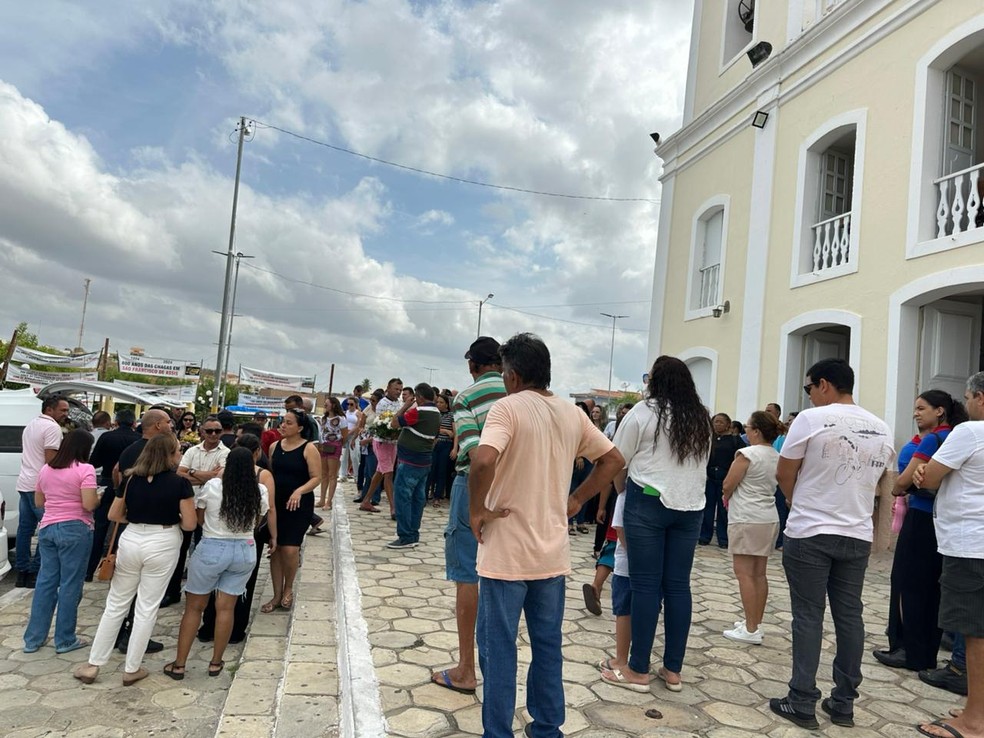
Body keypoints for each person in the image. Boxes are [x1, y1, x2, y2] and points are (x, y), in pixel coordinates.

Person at [468, 333, 623, 737]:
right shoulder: (572, 413)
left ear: (513, 375)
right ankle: (547, 727)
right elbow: (613, 460)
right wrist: (577, 499)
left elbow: (483, 460)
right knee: (547, 646)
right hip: (551, 553)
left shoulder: (508, 408)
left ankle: (498, 732)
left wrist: (476, 510)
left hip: (505, 552)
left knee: (498, 650)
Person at [769, 358, 895, 730]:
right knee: (849, 615)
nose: (808, 396)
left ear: (823, 384)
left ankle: (802, 699)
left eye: (808, 388)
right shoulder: (882, 427)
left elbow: (784, 471)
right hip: (855, 532)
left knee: (808, 615)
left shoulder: (812, 419)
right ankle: (843, 702)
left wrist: (796, 501)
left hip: (811, 529)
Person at [601, 356, 711, 693]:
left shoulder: (644, 412)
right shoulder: (701, 417)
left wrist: (622, 491)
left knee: (645, 585)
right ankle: (673, 669)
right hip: (690, 506)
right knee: (678, 586)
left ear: (655, 381)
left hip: (647, 500)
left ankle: (637, 669)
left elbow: (618, 459)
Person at [74, 434, 196, 686]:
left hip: (131, 538)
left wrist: (138, 517)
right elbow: (190, 523)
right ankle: (132, 668)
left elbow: (114, 514)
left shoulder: (131, 479)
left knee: (116, 603)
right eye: (177, 451)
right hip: (163, 540)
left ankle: (93, 664)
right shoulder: (179, 483)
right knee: (147, 606)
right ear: (169, 455)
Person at [431, 336, 506, 696]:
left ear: (472, 365)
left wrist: (477, 505)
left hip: (473, 487)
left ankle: (465, 669)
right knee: (502, 575)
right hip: (513, 489)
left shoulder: (466, 397)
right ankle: (498, 668)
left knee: (467, 575)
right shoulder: (517, 394)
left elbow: (477, 454)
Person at [911, 371, 984, 738]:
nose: (966, 404)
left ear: (981, 398)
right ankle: (979, 706)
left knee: (974, 632)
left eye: (969, 397)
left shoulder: (971, 432)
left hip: (971, 544)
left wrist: (927, 471)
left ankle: (974, 721)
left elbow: (930, 478)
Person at [874, 390, 967, 672]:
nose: (916, 412)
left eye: (922, 408)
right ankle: (925, 649)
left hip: (922, 515)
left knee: (907, 583)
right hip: (942, 519)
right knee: (931, 586)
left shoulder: (933, 439)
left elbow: (904, 482)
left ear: (940, 411)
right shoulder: (954, 437)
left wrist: (899, 487)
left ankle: (908, 648)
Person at [164, 447, 268, 679]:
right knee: (226, 608)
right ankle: (215, 662)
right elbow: (258, 521)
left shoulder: (213, 487)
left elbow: (200, 518)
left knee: (194, 607)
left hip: (213, 545)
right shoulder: (260, 491)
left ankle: (180, 664)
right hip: (244, 549)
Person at [23, 429, 99, 654]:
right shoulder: (85, 469)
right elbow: (88, 504)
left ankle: (33, 639)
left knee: (45, 583)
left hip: (48, 527)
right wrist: (98, 497)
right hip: (76, 528)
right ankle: (65, 639)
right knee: (70, 585)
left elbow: (39, 501)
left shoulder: (46, 469)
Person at [198, 433, 277, 644]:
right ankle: (234, 632)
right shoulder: (262, 479)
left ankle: (208, 629)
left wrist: (209, 527)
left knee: (211, 588)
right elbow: (266, 512)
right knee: (240, 590)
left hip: (214, 538)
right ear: (257, 453)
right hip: (245, 540)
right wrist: (273, 535)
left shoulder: (217, 481)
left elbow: (202, 512)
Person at [721, 411, 782, 645]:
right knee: (759, 573)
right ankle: (754, 621)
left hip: (747, 515)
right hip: (767, 516)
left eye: (748, 427)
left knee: (744, 573)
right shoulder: (776, 455)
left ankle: (750, 628)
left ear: (756, 431)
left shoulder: (746, 454)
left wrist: (726, 495)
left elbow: (729, 483)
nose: (745, 430)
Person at [165, 415, 230, 608]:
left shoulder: (225, 452)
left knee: (205, 552)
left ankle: (203, 593)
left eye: (217, 431)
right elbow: (180, 474)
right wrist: (205, 475)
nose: (213, 434)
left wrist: (192, 473)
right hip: (188, 504)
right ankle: (173, 590)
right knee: (180, 549)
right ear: (202, 431)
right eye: (209, 431)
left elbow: (220, 478)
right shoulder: (192, 450)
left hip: (210, 510)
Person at [263, 408, 320, 612]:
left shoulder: (309, 449)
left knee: (290, 548)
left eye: (288, 422)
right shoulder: (274, 447)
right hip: (276, 503)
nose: (283, 425)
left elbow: (316, 477)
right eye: (282, 421)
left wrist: (299, 491)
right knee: (275, 548)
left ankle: (289, 588)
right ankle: (276, 594)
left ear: (300, 428)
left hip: (298, 504)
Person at [15, 394, 69, 588]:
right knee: (47, 528)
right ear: (49, 410)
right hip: (41, 485)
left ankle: (21, 571)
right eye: (62, 410)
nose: (66, 414)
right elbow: (50, 459)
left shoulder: (31, 425)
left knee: (25, 530)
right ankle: (35, 571)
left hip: (25, 482)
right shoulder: (52, 427)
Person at [86, 409, 140, 581]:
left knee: (100, 526)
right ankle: (116, 568)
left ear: (116, 422)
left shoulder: (107, 437)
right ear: (133, 423)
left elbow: (94, 461)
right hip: (130, 486)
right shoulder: (138, 441)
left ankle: (89, 570)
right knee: (122, 528)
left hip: (108, 482)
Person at [386, 383, 441, 549]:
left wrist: (406, 405)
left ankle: (405, 536)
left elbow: (395, 423)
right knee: (417, 499)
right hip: (424, 461)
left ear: (420, 397)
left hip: (410, 461)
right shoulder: (437, 413)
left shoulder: (419, 411)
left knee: (402, 497)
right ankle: (413, 533)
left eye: (415, 397)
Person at [700, 413, 745, 548]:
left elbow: (741, 457)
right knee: (707, 508)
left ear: (728, 424)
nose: (717, 424)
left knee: (723, 509)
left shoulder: (735, 441)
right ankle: (704, 536)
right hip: (709, 478)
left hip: (725, 478)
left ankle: (723, 538)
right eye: (715, 422)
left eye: (720, 422)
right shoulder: (708, 439)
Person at [361, 379, 403, 517]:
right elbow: (383, 423)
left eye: (400, 390)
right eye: (396, 389)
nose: (398, 392)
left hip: (393, 443)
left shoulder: (399, 403)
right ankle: (393, 508)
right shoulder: (382, 403)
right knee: (388, 474)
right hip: (382, 442)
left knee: (380, 472)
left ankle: (366, 500)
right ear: (389, 389)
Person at [316, 397, 346, 510]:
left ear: (333, 405)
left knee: (332, 474)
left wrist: (338, 444)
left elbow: (344, 434)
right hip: (324, 445)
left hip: (334, 446)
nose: (325, 405)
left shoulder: (340, 418)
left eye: (327, 404)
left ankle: (329, 501)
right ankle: (322, 499)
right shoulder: (324, 418)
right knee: (324, 474)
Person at [428, 393, 455, 507]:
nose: (438, 404)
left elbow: (454, 433)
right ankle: (424, 495)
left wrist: (454, 448)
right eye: (437, 402)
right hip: (434, 444)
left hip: (446, 444)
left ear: (447, 404)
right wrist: (444, 430)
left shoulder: (451, 415)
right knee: (430, 471)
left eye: (441, 402)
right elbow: (430, 427)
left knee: (442, 471)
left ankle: (437, 497)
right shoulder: (434, 414)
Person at [340, 397, 361, 481]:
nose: (349, 406)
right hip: (346, 435)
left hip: (353, 436)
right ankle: (343, 475)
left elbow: (358, 425)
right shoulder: (345, 413)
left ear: (355, 404)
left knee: (354, 456)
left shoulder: (358, 413)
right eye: (348, 404)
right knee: (344, 455)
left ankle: (356, 475)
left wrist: (350, 432)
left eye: (351, 404)